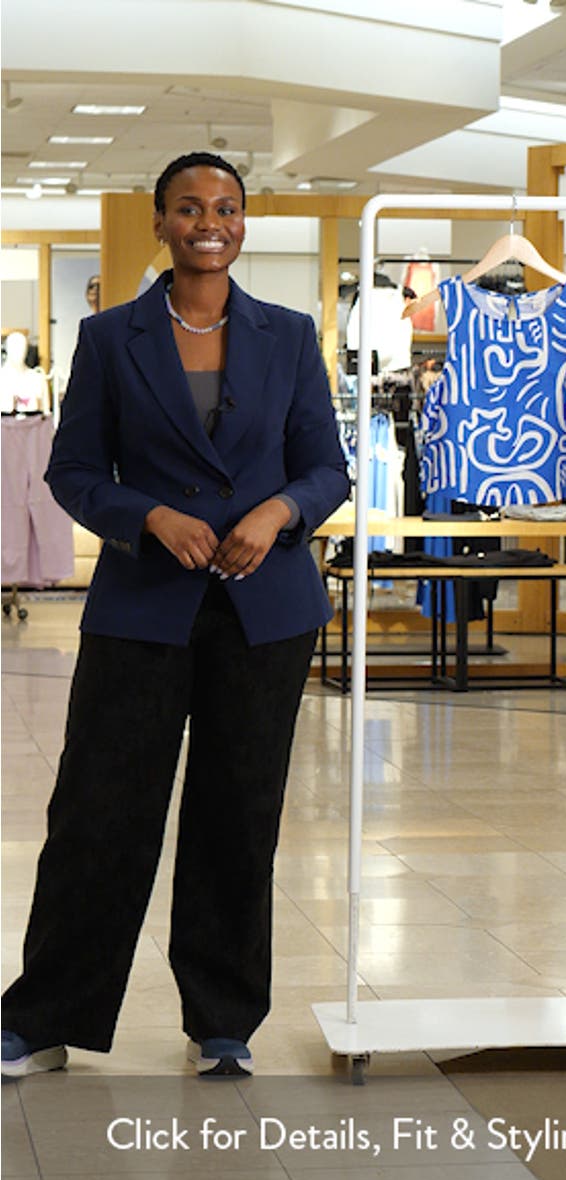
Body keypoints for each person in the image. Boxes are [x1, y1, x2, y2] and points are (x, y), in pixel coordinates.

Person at [1, 151, 350, 1078]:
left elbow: (326, 469)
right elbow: (71, 472)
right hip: (142, 608)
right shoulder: (111, 338)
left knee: (240, 815)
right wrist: (147, 516)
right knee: (99, 811)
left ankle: (223, 1021)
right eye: (190, 207)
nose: (210, 222)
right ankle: (44, 1020)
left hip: (265, 610)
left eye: (227, 208)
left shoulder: (289, 335)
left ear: (244, 223)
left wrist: (280, 513)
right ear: (160, 222)